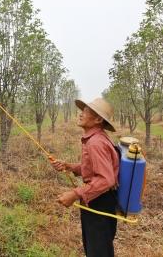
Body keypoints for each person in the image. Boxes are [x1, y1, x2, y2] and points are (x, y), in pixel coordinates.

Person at [51, 97, 119, 257]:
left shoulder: (96, 143)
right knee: (98, 248)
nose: (81, 114)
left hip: (99, 201)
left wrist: (75, 194)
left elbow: (105, 179)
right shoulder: (97, 138)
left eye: (86, 111)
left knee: (98, 251)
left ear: (98, 119)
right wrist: (69, 166)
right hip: (101, 198)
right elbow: (95, 168)